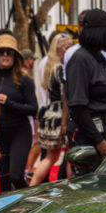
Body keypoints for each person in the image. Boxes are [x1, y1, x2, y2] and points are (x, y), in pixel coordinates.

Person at [65, 9, 106, 161]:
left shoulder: (99, 58)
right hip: (92, 141)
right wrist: (99, 142)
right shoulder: (80, 60)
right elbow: (78, 107)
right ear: (100, 32)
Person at [0, 34, 37, 192]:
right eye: (1, 51)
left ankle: (30, 202)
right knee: (4, 180)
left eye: (9, 52)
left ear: (15, 56)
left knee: (16, 175)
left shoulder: (24, 80)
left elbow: (33, 108)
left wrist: (10, 103)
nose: (5, 55)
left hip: (19, 132)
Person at [32, 34, 71, 185]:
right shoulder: (61, 69)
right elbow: (64, 96)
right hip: (60, 115)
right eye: (68, 47)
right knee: (68, 156)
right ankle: (70, 189)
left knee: (50, 157)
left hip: (51, 112)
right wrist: (64, 123)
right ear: (61, 48)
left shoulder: (50, 66)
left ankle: (32, 186)